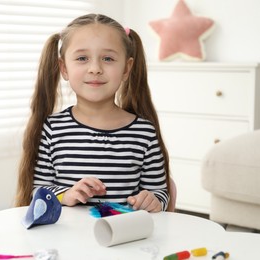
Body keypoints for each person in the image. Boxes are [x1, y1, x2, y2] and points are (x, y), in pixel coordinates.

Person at [15, 13, 170, 212]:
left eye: (108, 58)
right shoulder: (53, 129)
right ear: (64, 68)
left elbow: (160, 192)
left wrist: (152, 200)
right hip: (67, 240)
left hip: (124, 240)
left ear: (126, 68)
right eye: (82, 58)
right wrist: (67, 194)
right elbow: (39, 191)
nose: (95, 68)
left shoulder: (143, 132)